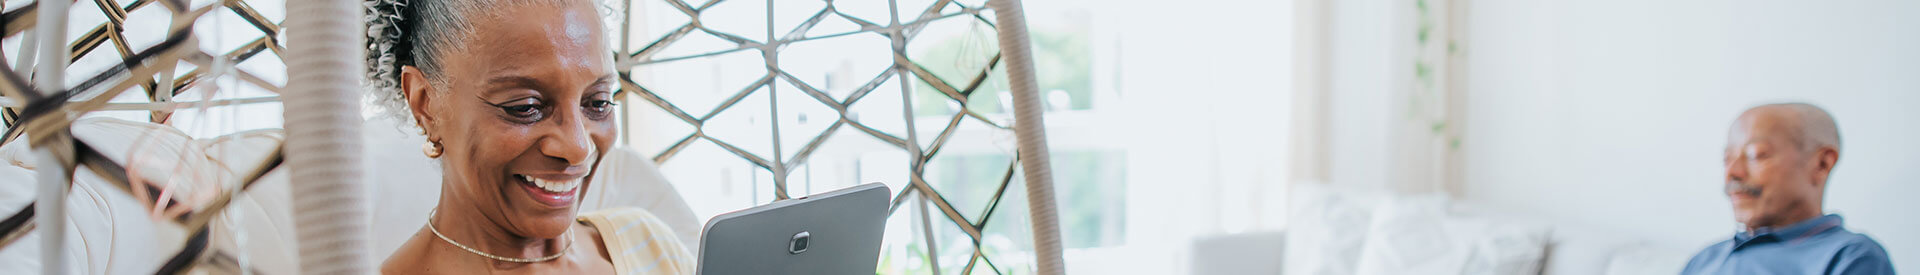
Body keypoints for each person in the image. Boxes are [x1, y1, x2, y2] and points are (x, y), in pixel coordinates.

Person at [362, 0, 692, 274]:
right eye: (526, 107)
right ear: (426, 103)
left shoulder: (651, 247)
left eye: (598, 102)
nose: (578, 148)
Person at [1682, 103, 1894, 275]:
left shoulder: (1850, 256)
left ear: (1821, 164)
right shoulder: (1704, 259)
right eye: (1726, 159)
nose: (1732, 173)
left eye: (1756, 154)